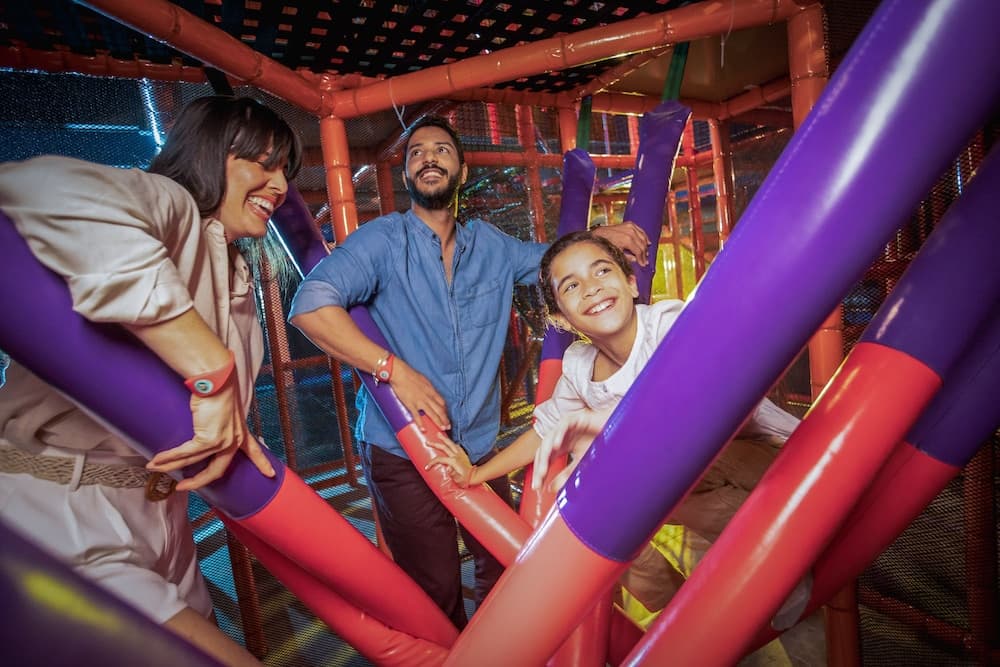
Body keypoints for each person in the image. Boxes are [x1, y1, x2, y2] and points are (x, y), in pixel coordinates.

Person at [289, 114, 650, 628]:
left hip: (479, 447)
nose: (428, 158)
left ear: (461, 171)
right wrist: (394, 370)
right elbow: (309, 306)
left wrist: (598, 236)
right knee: (434, 587)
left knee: (504, 571)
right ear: (407, 174)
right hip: (404, 449)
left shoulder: (491, 245)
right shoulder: (382, 241)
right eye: (416, 152)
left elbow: (549, 260)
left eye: (441, 150)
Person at [0, 95, 301, 666]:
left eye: (285, 169)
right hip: (60, 502)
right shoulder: (172, 206)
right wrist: (210, 371)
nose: (281, 185)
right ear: (209, 154)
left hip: (162, 509)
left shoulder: (236, 271)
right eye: (263, 163)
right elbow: (34, 188)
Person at [426, 229, 803, 620]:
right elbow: (545, 431)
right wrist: (477, 473)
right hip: (687, 481)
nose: (591, 287)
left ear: (631, 283)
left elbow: (701, 399)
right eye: (571, 285)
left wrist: (610, 427)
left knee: (646, 465)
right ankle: (674, 606)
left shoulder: (668, 325)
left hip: (773, 458)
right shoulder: (579, 366)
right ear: (560, 317)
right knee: (593, 502)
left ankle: (773, 560)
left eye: (602, 271)